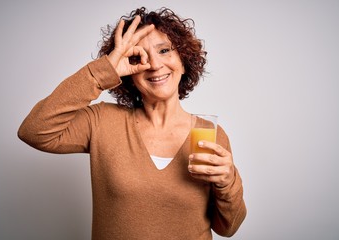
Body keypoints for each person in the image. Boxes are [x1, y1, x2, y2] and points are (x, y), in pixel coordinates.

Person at [18, 7, 246, 240]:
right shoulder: (103, 121)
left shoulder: (209, 134)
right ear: (129, 73)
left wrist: (228, 182)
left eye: (164, 50)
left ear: (184, 60)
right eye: (138, 57)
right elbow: (34, 131)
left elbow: (227, 228)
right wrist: (104, 71)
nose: (155, 65)